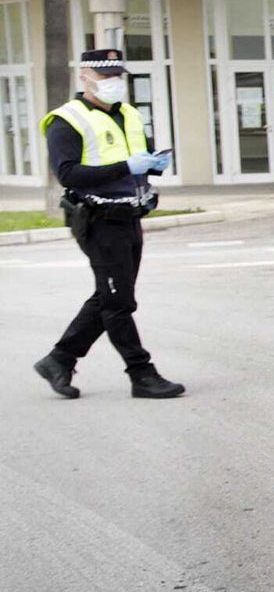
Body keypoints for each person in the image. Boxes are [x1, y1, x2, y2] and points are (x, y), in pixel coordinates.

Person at [32, 49, 184, 401]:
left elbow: (136, 158)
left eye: (118, 76)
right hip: (97, 219)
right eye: (105, 77)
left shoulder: (128, 114)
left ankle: (59, 359)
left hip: (129, 215)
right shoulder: (66, 120)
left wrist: (153, 163)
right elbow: (68, 173)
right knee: (119, 302)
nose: (113, 83)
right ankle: (141, 373)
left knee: (110, 295)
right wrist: (126, 168)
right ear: (84, 76)